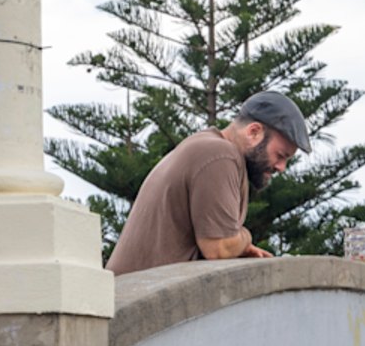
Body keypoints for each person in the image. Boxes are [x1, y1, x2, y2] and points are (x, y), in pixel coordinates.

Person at [106, 91, 311, 275]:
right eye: (280, 155)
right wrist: (244, 238)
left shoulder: (207, 146)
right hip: (142, 308)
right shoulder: (220, 155)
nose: (281, 167)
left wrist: (237, 247)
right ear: (253, 132)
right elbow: (218, 249)